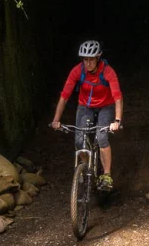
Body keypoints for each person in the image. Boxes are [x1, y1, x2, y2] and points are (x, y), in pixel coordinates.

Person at [50, 40, 123, 191]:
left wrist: (117, 120)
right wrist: (56, 120)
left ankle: (107, 175)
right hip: (85, 106)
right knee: (79, 141)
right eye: (85, 59)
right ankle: (88, 168)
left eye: (91, 59)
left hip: (105, 106)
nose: (88, 63)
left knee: (102, 136)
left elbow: (117, 97)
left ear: (98, 58)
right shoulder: (77, 71)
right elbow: (64, 96)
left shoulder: (108, 71)